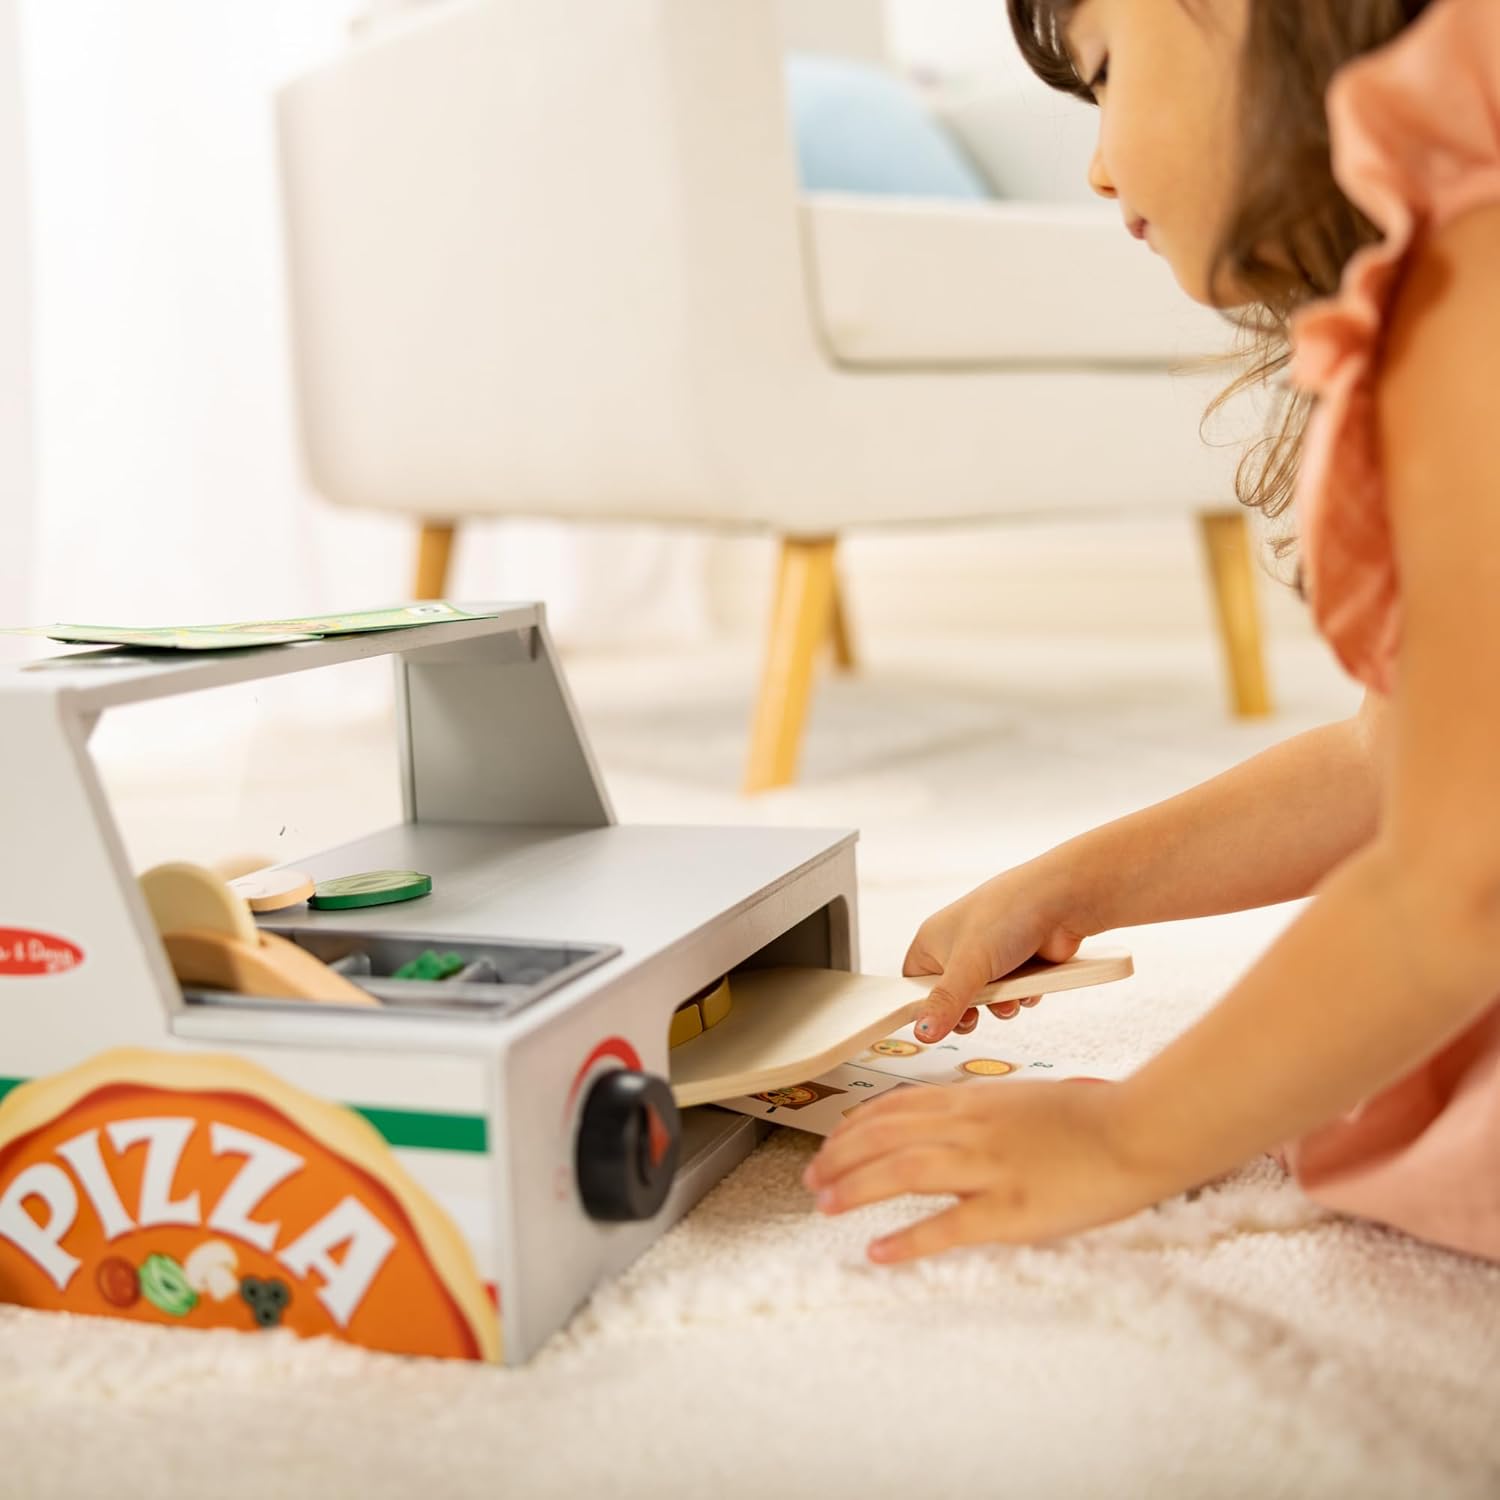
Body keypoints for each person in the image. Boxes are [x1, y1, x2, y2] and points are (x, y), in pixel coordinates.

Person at [806, 0, 1500, 1267]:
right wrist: (1079, 883)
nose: (1097, 166)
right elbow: (1399, 763)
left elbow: (1460, 881)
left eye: (1107, 71)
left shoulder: (1479, 270)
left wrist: (1127, 1137)